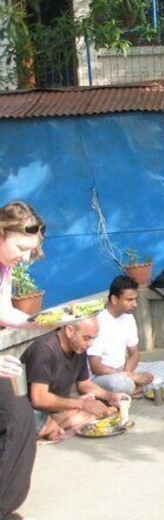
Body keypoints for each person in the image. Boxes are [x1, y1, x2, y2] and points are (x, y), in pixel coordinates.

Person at [0, 201, 49, 518]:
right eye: (20, 247)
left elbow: (3, 311)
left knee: (18, 418)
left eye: (29, 250)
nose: (24, 256)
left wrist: (38, 322)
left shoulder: (4, 267)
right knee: (16, 419)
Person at [21, 316, 125, 441]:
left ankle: (55, 427)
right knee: (86, 410)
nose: (90, 344)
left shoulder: (79, 348)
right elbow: (39, 399)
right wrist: (80, 404)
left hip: (54, 411)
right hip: (27, 412)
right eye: (86, 338)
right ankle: (52, 427)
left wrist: (110, 396)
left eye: (93, 339)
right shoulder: (44, 350)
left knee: (95, 409)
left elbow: (84, 384)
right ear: (70, 331)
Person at [88, 275, 164, 395]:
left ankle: (138, 389)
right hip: (102, 376)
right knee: (120, 384)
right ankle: (140, 388)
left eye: (135, 299)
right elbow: (96, 367)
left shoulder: (129, 318)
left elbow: (134, 353)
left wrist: (129, 373)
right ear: (114, 299)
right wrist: (129, 376)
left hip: (124, 369)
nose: (135, 304)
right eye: (129, 300)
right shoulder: (97, 322)